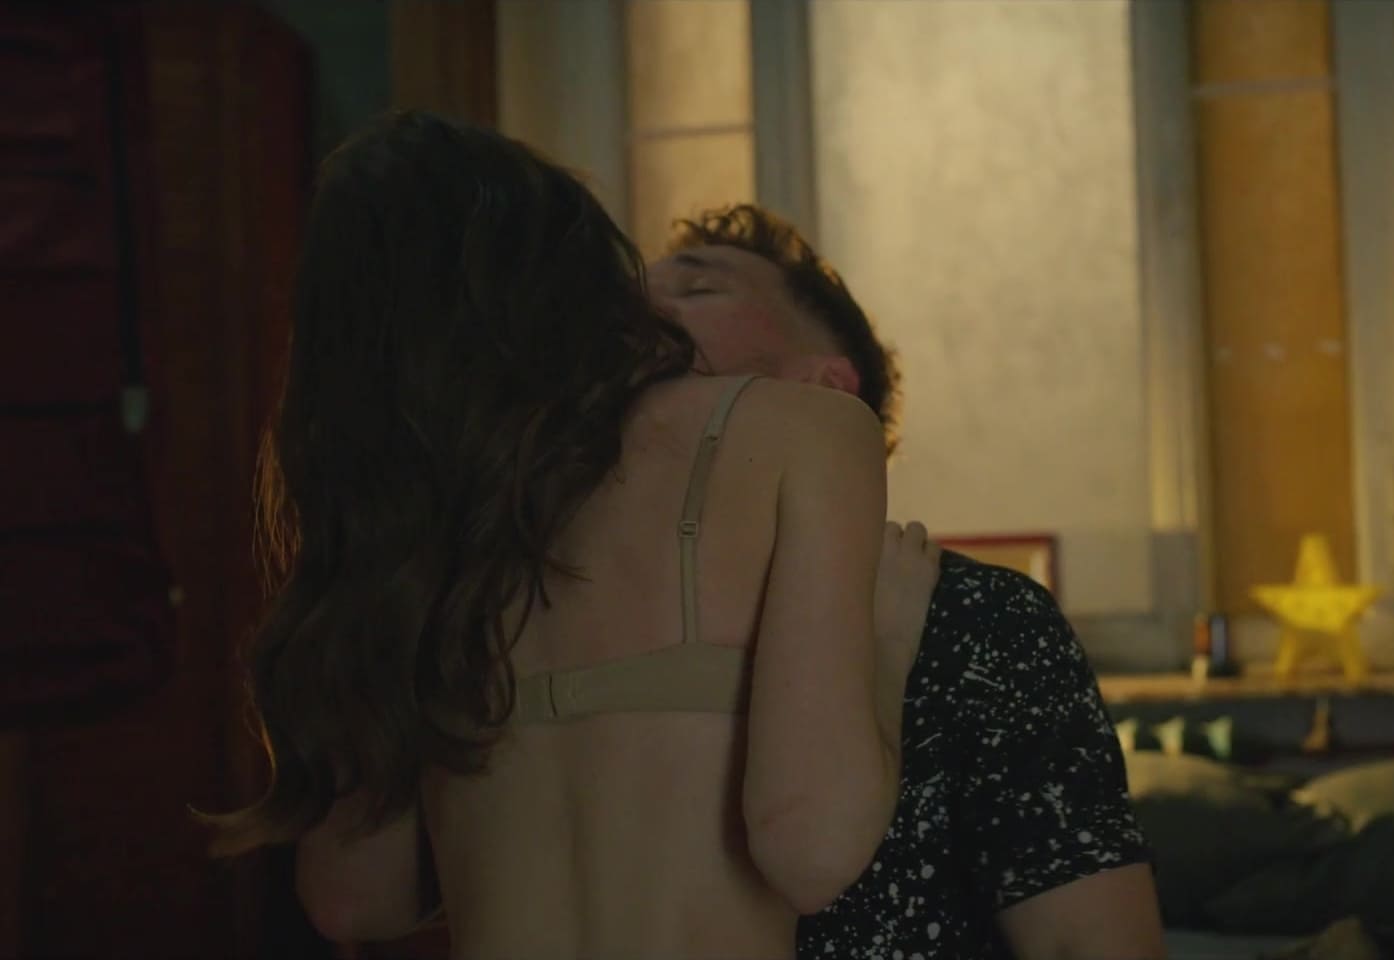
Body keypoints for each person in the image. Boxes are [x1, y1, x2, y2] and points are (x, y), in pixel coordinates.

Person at [198, 113, 942, 960]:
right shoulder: (804, 433)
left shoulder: (444, 523)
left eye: (695, 285)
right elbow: (811, 849)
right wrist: (887, 649)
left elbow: (354, 897)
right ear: (576, 261)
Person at [649, 204, 1167, 960]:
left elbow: (1089, 943)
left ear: (827, 389)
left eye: (698, 290)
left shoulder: (975, 624)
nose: (643, 309)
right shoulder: (566, 615)